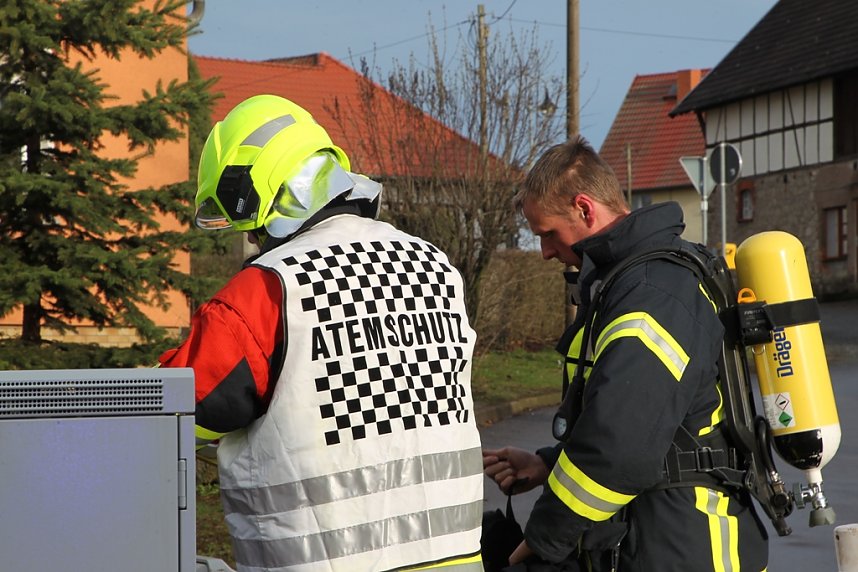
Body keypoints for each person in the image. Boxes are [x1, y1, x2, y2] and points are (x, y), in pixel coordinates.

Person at [160, 94, 484, 572]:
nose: (252, 240)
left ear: (257, 192)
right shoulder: (433, 265)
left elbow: (163, 413)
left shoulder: (270, 290)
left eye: (250, 226)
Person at [482, 136, 769, 571]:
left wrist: (542, 540)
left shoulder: (652, 291)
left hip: (683, 547)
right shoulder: (629, 283)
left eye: (548, 234)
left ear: (584, 209)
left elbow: (620, 448)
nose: (543, 252)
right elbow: (646, 425)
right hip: (657, 538)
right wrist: (547, 463)